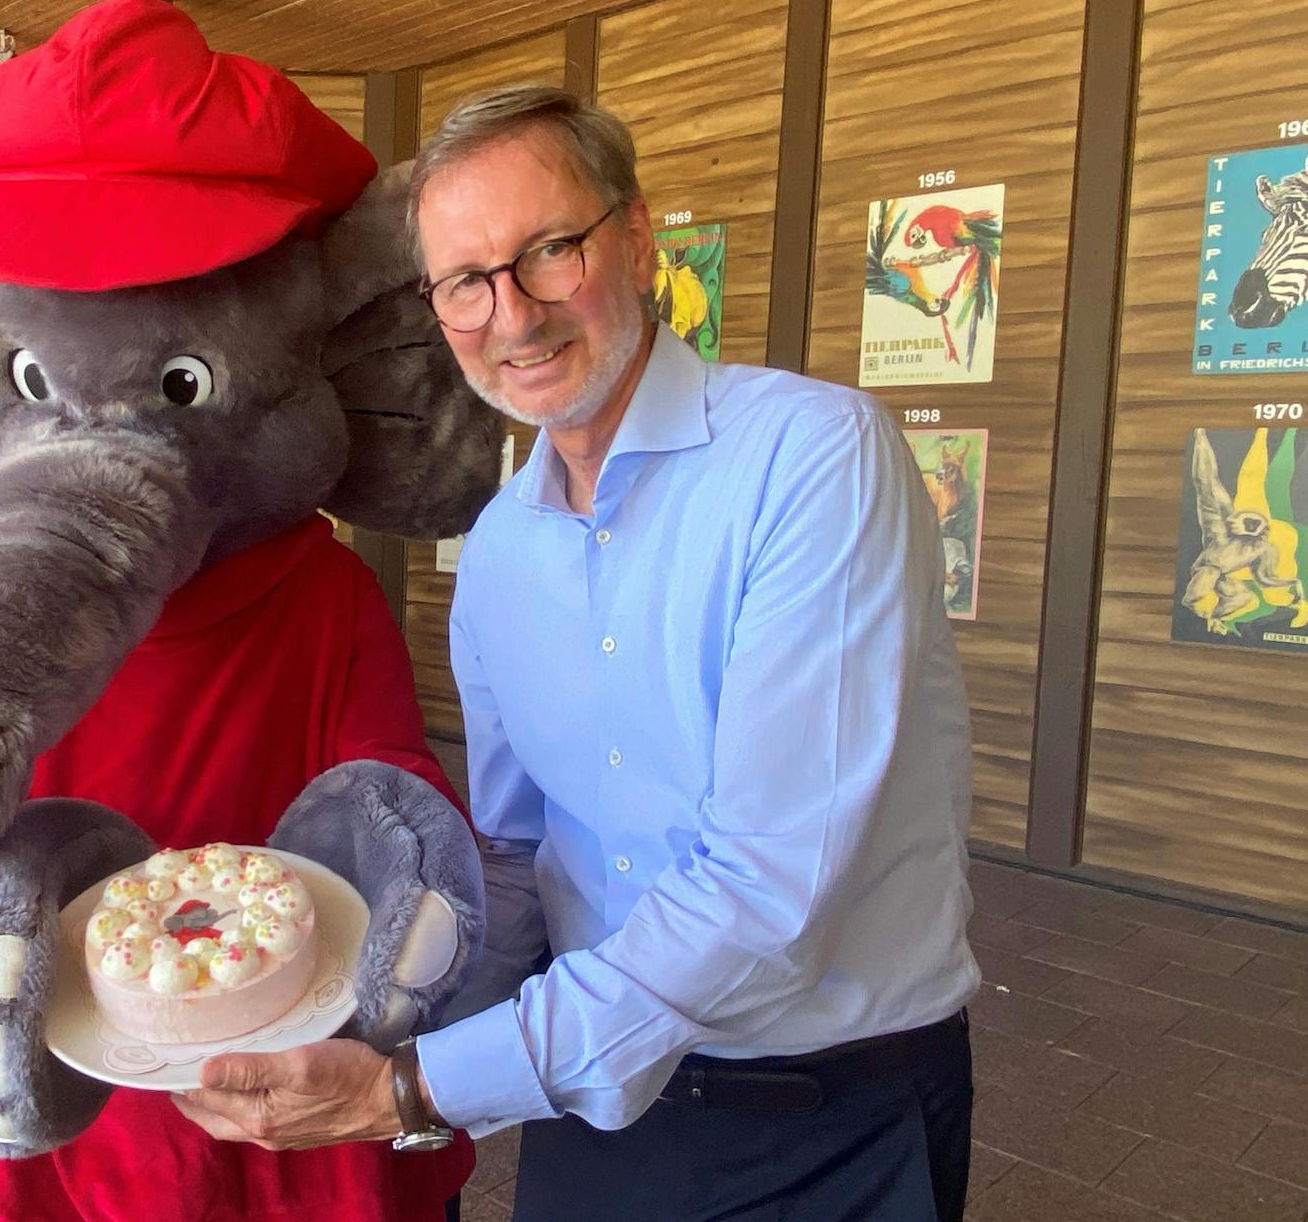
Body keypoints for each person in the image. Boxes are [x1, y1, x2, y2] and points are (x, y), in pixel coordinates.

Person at [174, 84, 981, 1222]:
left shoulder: (811, 458)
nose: (510, 315)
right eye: (464, 280)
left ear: (637, 237)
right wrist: (354, 1007)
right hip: (597, 1098)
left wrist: (414, 1085)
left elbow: (765, 887)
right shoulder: (497, 548)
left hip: (817, 1108)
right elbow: (514, 852)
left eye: (548, 250)